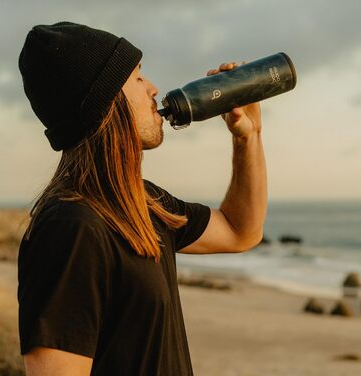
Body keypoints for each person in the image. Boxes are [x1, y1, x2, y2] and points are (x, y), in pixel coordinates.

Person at [17, 21, 267, 376]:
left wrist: (249, 137)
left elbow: (241, 230)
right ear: (104, 100)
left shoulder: (143, 203)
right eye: (137, 77)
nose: (153, 89)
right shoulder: (71, 227)